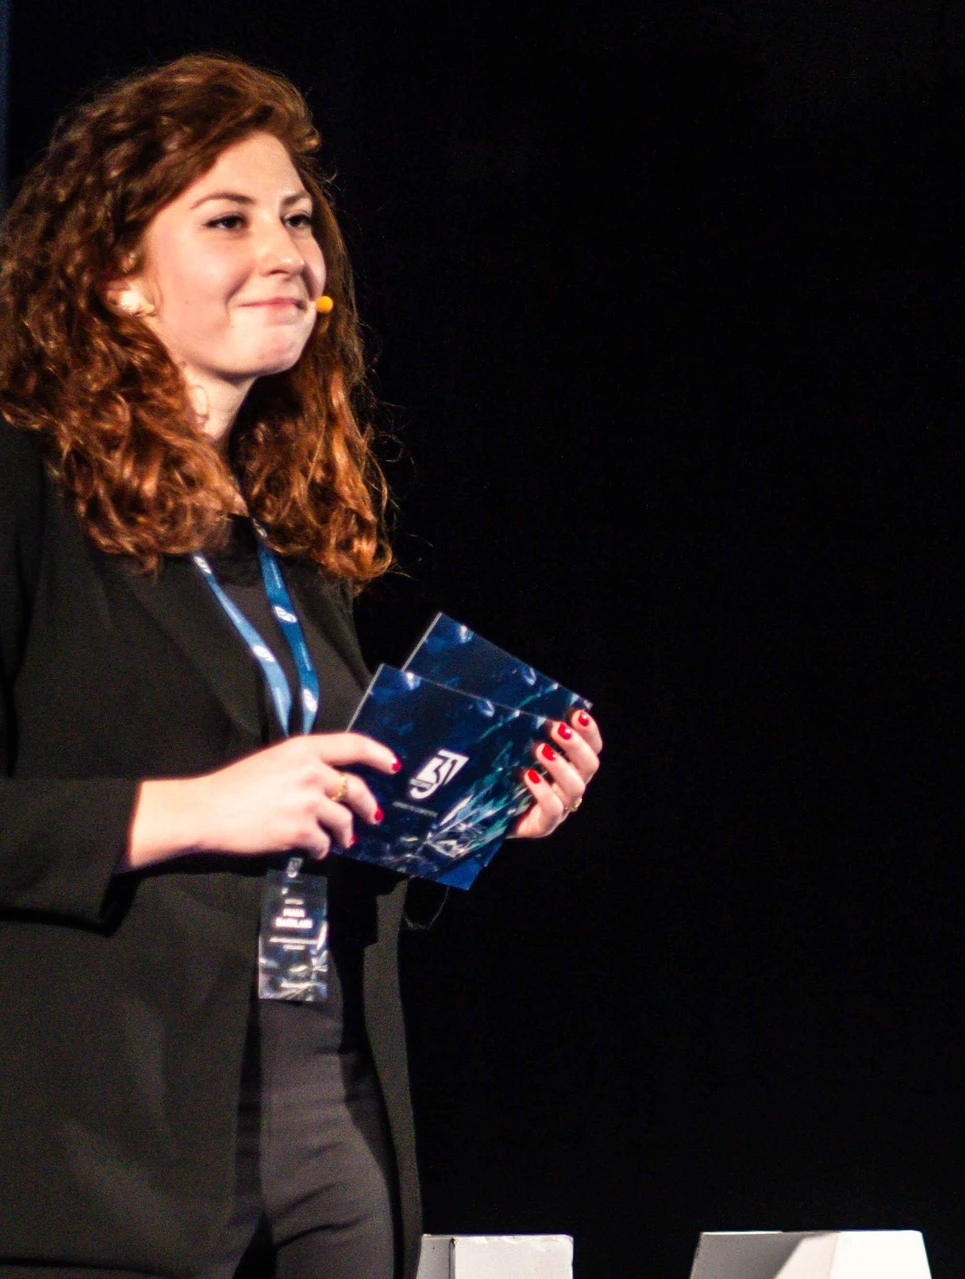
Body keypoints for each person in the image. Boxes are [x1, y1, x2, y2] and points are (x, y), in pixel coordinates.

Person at [0, 55, 603, 1278]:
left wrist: (473, 807)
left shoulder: (283, 528)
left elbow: (316, 824)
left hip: (329, 1125)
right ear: (115, 275)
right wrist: (186, 812)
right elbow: (210, 807)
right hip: (107, 1151)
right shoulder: (24, 490)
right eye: (227, 221)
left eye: (295, 218)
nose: (287, 252)